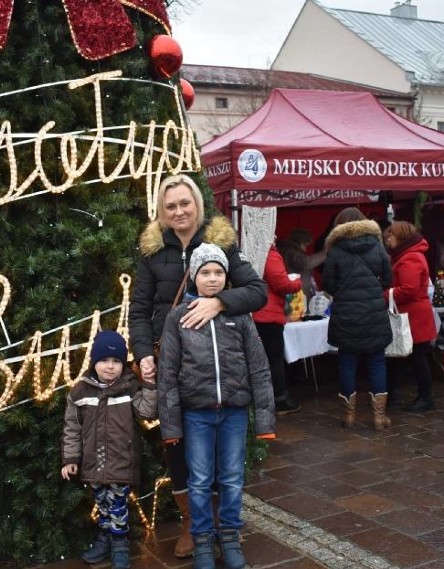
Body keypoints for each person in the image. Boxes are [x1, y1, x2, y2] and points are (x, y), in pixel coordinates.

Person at [128, 173, 267, 558]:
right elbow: (139, 310)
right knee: (178, 447)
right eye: (170, 206)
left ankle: (224, 526)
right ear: (162, 211)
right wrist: (143, 353)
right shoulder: (153, 253)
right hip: (172, 363)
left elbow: (257, 292)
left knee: (222, 451)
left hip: (218, 365)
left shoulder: (221, 243)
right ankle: (193, 524)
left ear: (197, 204)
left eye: (184, 203)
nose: (178, 211)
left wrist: (219, 302)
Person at [157, 243, 275, 569]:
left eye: (218, 272)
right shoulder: (178, 318)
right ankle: (203, 541)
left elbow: (259, 366)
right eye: (205, 272)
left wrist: (265, 421)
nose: (212, 279)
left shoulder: (239, 315)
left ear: (226, 276)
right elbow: (167, 373)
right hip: (197, 413)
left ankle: (230, 537)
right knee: (199, 479)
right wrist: (170, 426)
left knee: (233, 477)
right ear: (194, 276)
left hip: (234, 412)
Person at [60, 330, 157, 569]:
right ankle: (104, 538)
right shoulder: (80, 392)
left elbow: (146, 411)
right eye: (104, 360)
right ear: (94, 362)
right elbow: (72, 427)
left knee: (118, 504)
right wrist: (70, 458)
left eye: (116, 361)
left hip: (121, 459)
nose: (110, 366)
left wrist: (150, 385)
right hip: (93, 461)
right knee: (102, 502)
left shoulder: (129, 387)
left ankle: (120, 544)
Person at [321, 207, 393, 430]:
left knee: (347, 362)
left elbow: (328, 285)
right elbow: (387, 279)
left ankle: (349, 415)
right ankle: (379, 417)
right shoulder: (377, 245)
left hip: (346, 315)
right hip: (373, 313)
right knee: (377, 362)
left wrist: (344, 292)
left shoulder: (334, 250)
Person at [384, 221, 438, 411]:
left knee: (417, 359)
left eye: (391, 235)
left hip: (413, 317)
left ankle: (425, 397)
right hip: (412, 316)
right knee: (400, 358)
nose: (387, 239)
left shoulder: (409, 258)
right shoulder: (408, 255)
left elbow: (409, 289)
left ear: (401, 237)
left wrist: (384, 294)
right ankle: (390, 395)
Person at [253, 241, 303, 415]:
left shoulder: (250, 250)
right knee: (274, 359)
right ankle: (279, 399)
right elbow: (281, 283)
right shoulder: (269, 254)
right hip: (268, 314)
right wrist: (297, 282)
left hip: (255, 312)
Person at [279, 228, 325, 298]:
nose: (305, 249)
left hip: (297, 293)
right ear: (300, 242)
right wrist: (325, 253)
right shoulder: (290, 253)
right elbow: (305, 263)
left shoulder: (289, 251)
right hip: (296, 295)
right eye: (305, 245)